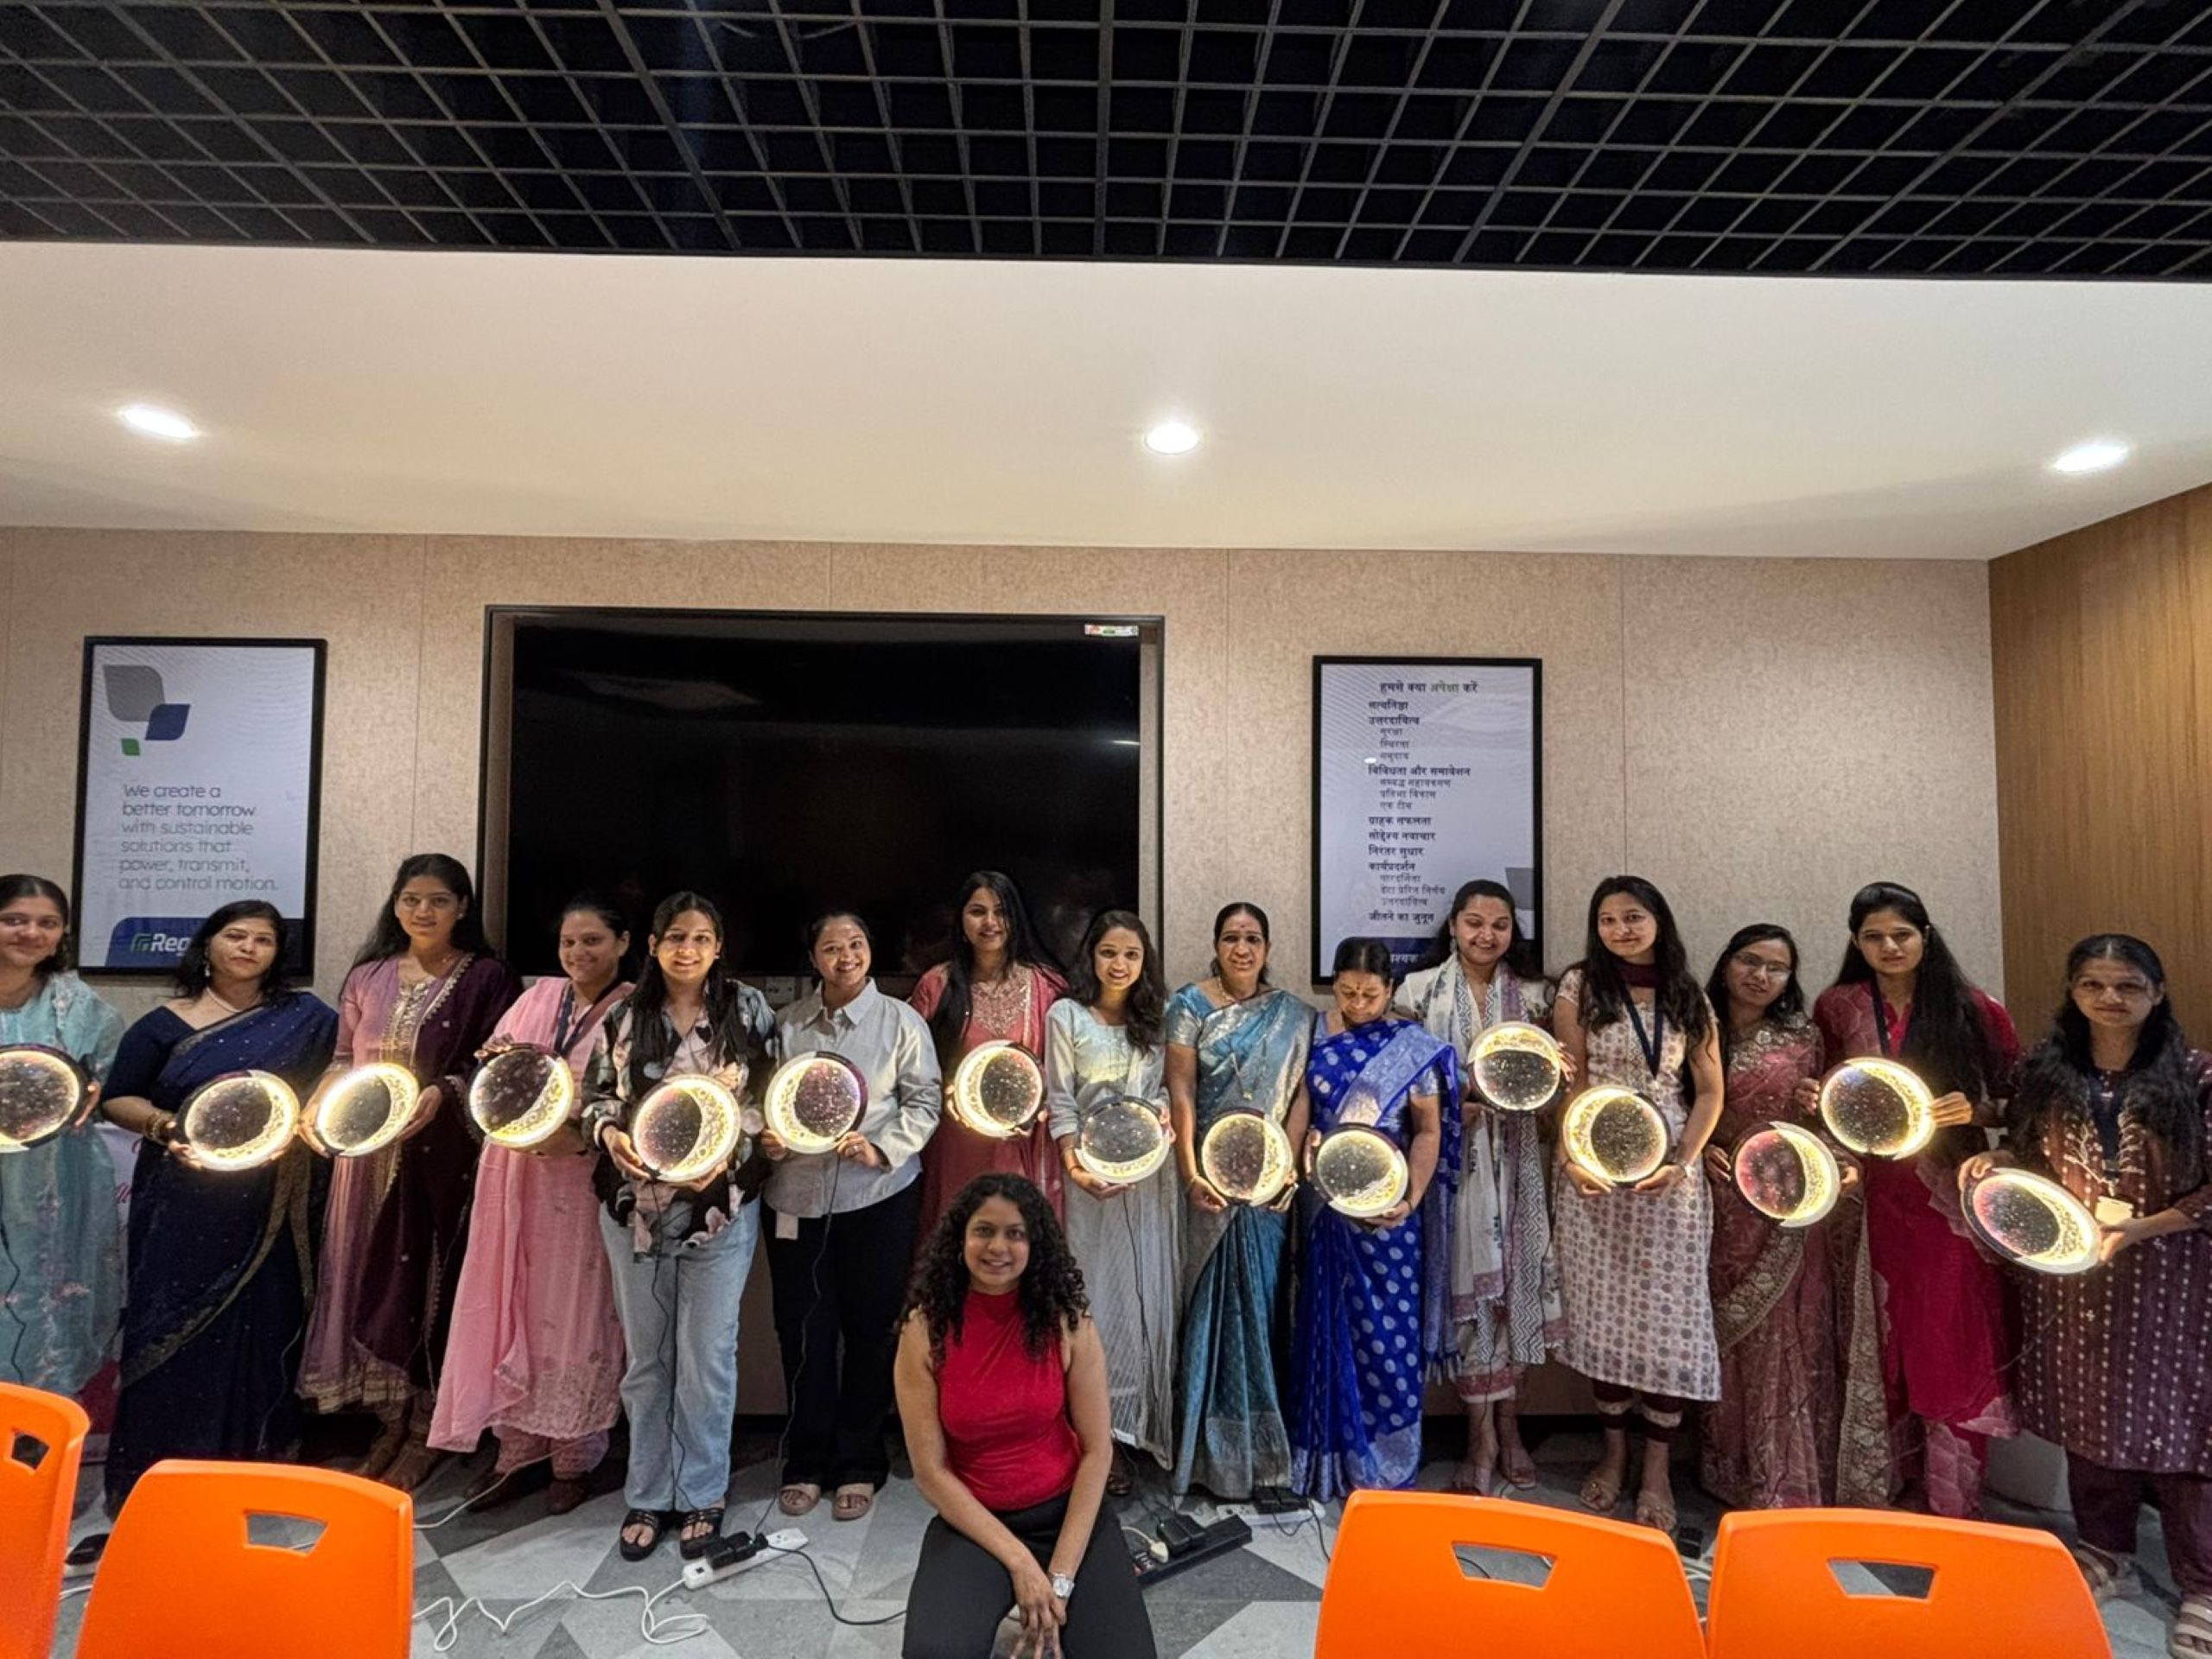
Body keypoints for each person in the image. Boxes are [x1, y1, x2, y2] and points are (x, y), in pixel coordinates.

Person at [69, 902, 338, 1567]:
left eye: (264, 940)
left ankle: (253, 1466)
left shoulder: (308, 1018)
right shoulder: (164, 1024)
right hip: (185, 1196)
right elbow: (118, 1098)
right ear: (208, 945)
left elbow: (334, 1078)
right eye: (235, 936)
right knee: (170, 1327)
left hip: (273, 1198)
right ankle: (156, 1478)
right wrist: (168, 1128)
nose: (249, 948)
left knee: (264, 1321)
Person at [1966, 935, 2212, 1655]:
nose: (2110, 999)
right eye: (2093, 985)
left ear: (2157, 995)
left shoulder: (2197, 1077)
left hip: (2174, 1279)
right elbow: (2030, 1155)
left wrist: (2146, 1228)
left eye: (2128, 986)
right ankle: (2106, 1551)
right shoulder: (2047, 1073)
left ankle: (2202, 1584)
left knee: (2185, 1427)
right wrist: (1996, 1160)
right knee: (2091, 1413)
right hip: (2075, 1279)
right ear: (2073, 992)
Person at [296, 853, 519, 1490]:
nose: (424, 911)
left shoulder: (487, 978)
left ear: (462, 908)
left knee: (427, 1284)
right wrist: (318, 1102)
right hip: (364, 1161)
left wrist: (445, 1092)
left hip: (437, 1156)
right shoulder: (368, 976)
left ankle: (428, 1425)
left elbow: (496, 1068)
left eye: (439, 900)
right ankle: (388, 1421)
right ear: (395, 905)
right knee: (364, 1277)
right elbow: (345, 1057)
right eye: (412, 899)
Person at [1808, 880, 2018, 1517]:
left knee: (1948, 1338)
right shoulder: (1838, 1007)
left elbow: (2019, 1103)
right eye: (1874, 937)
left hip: (1947, 1199)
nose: (1890, 947)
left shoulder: (1974, 1008)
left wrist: (1975, 1110)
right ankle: (1883, 1490)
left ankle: (1954, 1504)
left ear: (1925, 935)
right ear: (1856, 942)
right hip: (1866, 1198)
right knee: (1880, 1340)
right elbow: (1825, 1096)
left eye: (1902, 934)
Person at [582, 892, 774, 1560]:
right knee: (647, 1361)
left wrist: (728, 1151)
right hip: (635, 1211)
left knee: (708, 1360)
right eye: (674, 938)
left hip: (720, 1210)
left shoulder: (747, 1010)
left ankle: (702, 1494)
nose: (687, 950)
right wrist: (610, 1135)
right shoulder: (624, 1014)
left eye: (700, 938)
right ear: (654, 946)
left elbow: (767, 1100)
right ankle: (648, 1493)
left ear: (718, 947)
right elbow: (597, 1097)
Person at [894, 1173, 1157, 1659]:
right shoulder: (924, 1329)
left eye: (1015, 1233)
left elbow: (1097, 1451)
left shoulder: (1068, 1321)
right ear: (960, 1239)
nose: (998, 1247)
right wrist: (1020, 1563)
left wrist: (1059, 1578)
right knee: (934, 1652)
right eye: (984, 1231)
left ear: (1035, 1245)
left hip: (1066, 1514)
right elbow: (931, 1473)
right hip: (977, 1522)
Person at [431, 895, 633, 1516]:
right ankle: (516, 1452)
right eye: (569, 942)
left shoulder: (634, 1008)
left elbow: (637, 1095)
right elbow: (497, 1074)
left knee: (579, 1312)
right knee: (511, 1300)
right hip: (518, 1176)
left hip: (584, 1179)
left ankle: (575, 1454)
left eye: (593, 941)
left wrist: (580, 1129)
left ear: (624, 943)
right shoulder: (538, 997)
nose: (578, 953)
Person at [1551, 875, 1723, 1534]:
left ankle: (1657, 1471)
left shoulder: (1687, 993)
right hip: (1595, 1169)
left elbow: (1710, 1091)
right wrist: (1572, 1156)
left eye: (1633, 917)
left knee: (1669, 1326)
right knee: (1604, 1319)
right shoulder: (1580, 987)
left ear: (1659, 921)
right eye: (1608, 920)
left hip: (1669, 1180)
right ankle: (1614, 1454)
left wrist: (1682, 1161)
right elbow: (1574, 1084)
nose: (1621, 930)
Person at [1695, 925, 1885, 1510]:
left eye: (1776, 968)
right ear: (1726, 963)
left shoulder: (1804, 1037)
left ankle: (1785, 1478)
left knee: (1788, 1334)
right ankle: (1729, 1467)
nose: (1761, 976)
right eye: (1750, 961)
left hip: (1786, 1202)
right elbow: (1677, 1105)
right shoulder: (1696, 1027)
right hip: (1716, 1202)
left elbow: (1828, 1116)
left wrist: (1819, 1112)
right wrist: (1699, 1149)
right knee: (1726, 1336)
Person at [765, 910, 942, 1525]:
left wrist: (882, 1147)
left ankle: (860, 1460)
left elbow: (926, 1102)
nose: (846, 957)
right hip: (796, 1199)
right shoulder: (785, 1024)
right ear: (813, 958)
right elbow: (758, 1099)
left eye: (857, 944)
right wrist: (767, 1137)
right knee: (803, 1335)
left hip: (879, 1196)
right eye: (832, 948)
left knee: (872, 1331)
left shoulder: (901, 1021)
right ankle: (805, 1461)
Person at [1396, 878, 1564, 1495]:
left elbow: (1553, 1090)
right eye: (1474, 922)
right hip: (1452, 1166)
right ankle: (1479, 1437)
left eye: (1499, 925)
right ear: (1452, 926)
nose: (1485, 935)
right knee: (1468, 1291)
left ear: (1513, 932)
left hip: (1518, 1162)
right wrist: (1446, 1111)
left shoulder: (1538, 998)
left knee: (1517, 1286)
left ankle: (1511, 1426)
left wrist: (1554, 1081)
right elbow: (1400, 1080)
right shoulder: (1416, 991)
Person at [1288, 938, 1457, 1499]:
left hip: (1390, 1211)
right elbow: (1302, 1109)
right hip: (1326, 1206)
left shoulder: (1410, 1046)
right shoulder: (1316, 1034)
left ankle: (1385, 1460)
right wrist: (1294, 1158)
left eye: (1370, 994)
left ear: (1390, 990)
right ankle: (1329, 1458)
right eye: (1346, 992)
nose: (1357, 1004)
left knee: (1388, 1335)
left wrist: (1410, 1198)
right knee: (1327, 1325)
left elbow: (1428, 1130)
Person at [1165, 900, 1311, 1498]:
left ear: (1268, 948)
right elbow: (1180, 1091)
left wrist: (1287, 1169)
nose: (1242, 949)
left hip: (1269, 1187)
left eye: (1252, 939)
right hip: (1208, 1183)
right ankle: (1206, 1458)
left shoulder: (1293, 1014)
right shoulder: (1188, 1006)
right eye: (1231, 938)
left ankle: (1263, 1456)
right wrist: (1190, 1171)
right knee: (1209, 1309)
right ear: (1216, 946)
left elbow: (1301, 1097)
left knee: (1263, 1308)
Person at [1044, 909, 1179, 1490]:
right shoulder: (1066, 1016)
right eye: (1108, 953)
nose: (1119, 964)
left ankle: (1132, 1432)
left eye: (1131, 954)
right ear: (1091, 957)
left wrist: (1164, 1120)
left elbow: (1165, 1092)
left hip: (1148, 1183)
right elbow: (1060, 1100)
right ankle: (1091, 1438)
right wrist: (1077, 1167)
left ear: (1144, 962)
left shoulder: (1156, 1018)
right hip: (1088, 1185)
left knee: (1142, 1300)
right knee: (1093, 1302)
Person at [0, 875, 124, 1395]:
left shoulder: (75, 1002)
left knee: (46, 1292)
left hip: (55, 1177)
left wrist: (97, 1089)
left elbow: (112, 1073)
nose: (31, 933)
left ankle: (38, 1421)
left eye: (47, 923)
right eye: (14, 920)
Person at [912, 871, 1067, 1234]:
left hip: (1024, 1141)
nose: (990, 923)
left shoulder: (1047, 986)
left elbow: (1067, 1070)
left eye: (1001, 911)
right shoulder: (936, 985)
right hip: (957, 1142)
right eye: (978, 911)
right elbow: (913, 1071)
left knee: (1017, 1239)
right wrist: (947, 1093)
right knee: (957, 1238)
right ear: (961, 919)